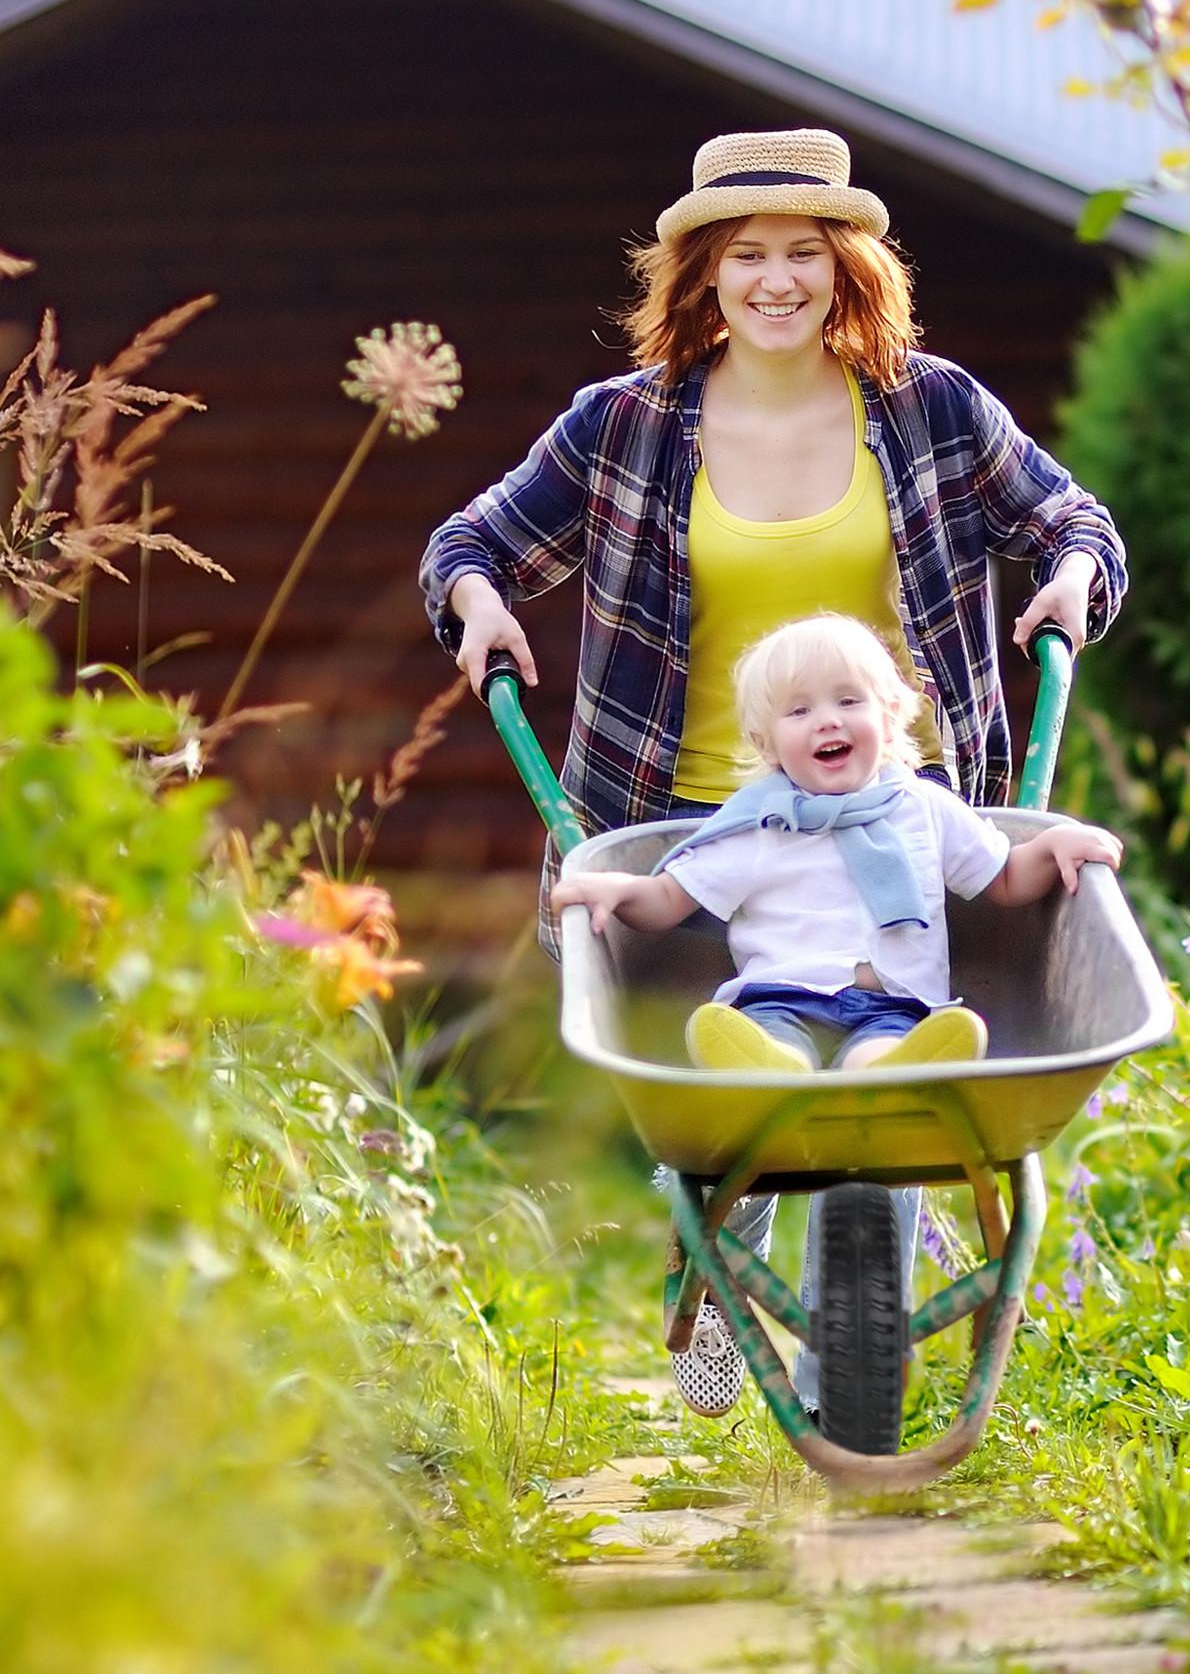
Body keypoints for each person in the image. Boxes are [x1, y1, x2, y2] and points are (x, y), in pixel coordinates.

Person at [421, 125, 1127, 1417]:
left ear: (848, 266)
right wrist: (478, 601)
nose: (777, 281)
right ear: (702, 275)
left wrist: (1073, 576)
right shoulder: (623, 427)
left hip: (894, 803)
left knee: (897, 1059)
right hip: (686, 820)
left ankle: (861, 1319)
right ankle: (722, 1267)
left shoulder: (930, 407)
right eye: (747, 255)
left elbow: (1070, 519)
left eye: (805, 252)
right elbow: (474, 538)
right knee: (730, 1068)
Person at [552, 613, 1121, 1075]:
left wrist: (1052, 846)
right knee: (776, 1042)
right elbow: (671, 898)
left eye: (849, 701)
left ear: (891, 714)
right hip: (779, 998)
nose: (827, 722)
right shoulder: (760, 822)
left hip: (896, 1007)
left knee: (880, 1053)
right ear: (766, 742)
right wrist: (620, 889)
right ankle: (768, 1071)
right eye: (799, 711)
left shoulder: (925, 806)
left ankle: (896, 1070)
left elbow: (1003, 879)